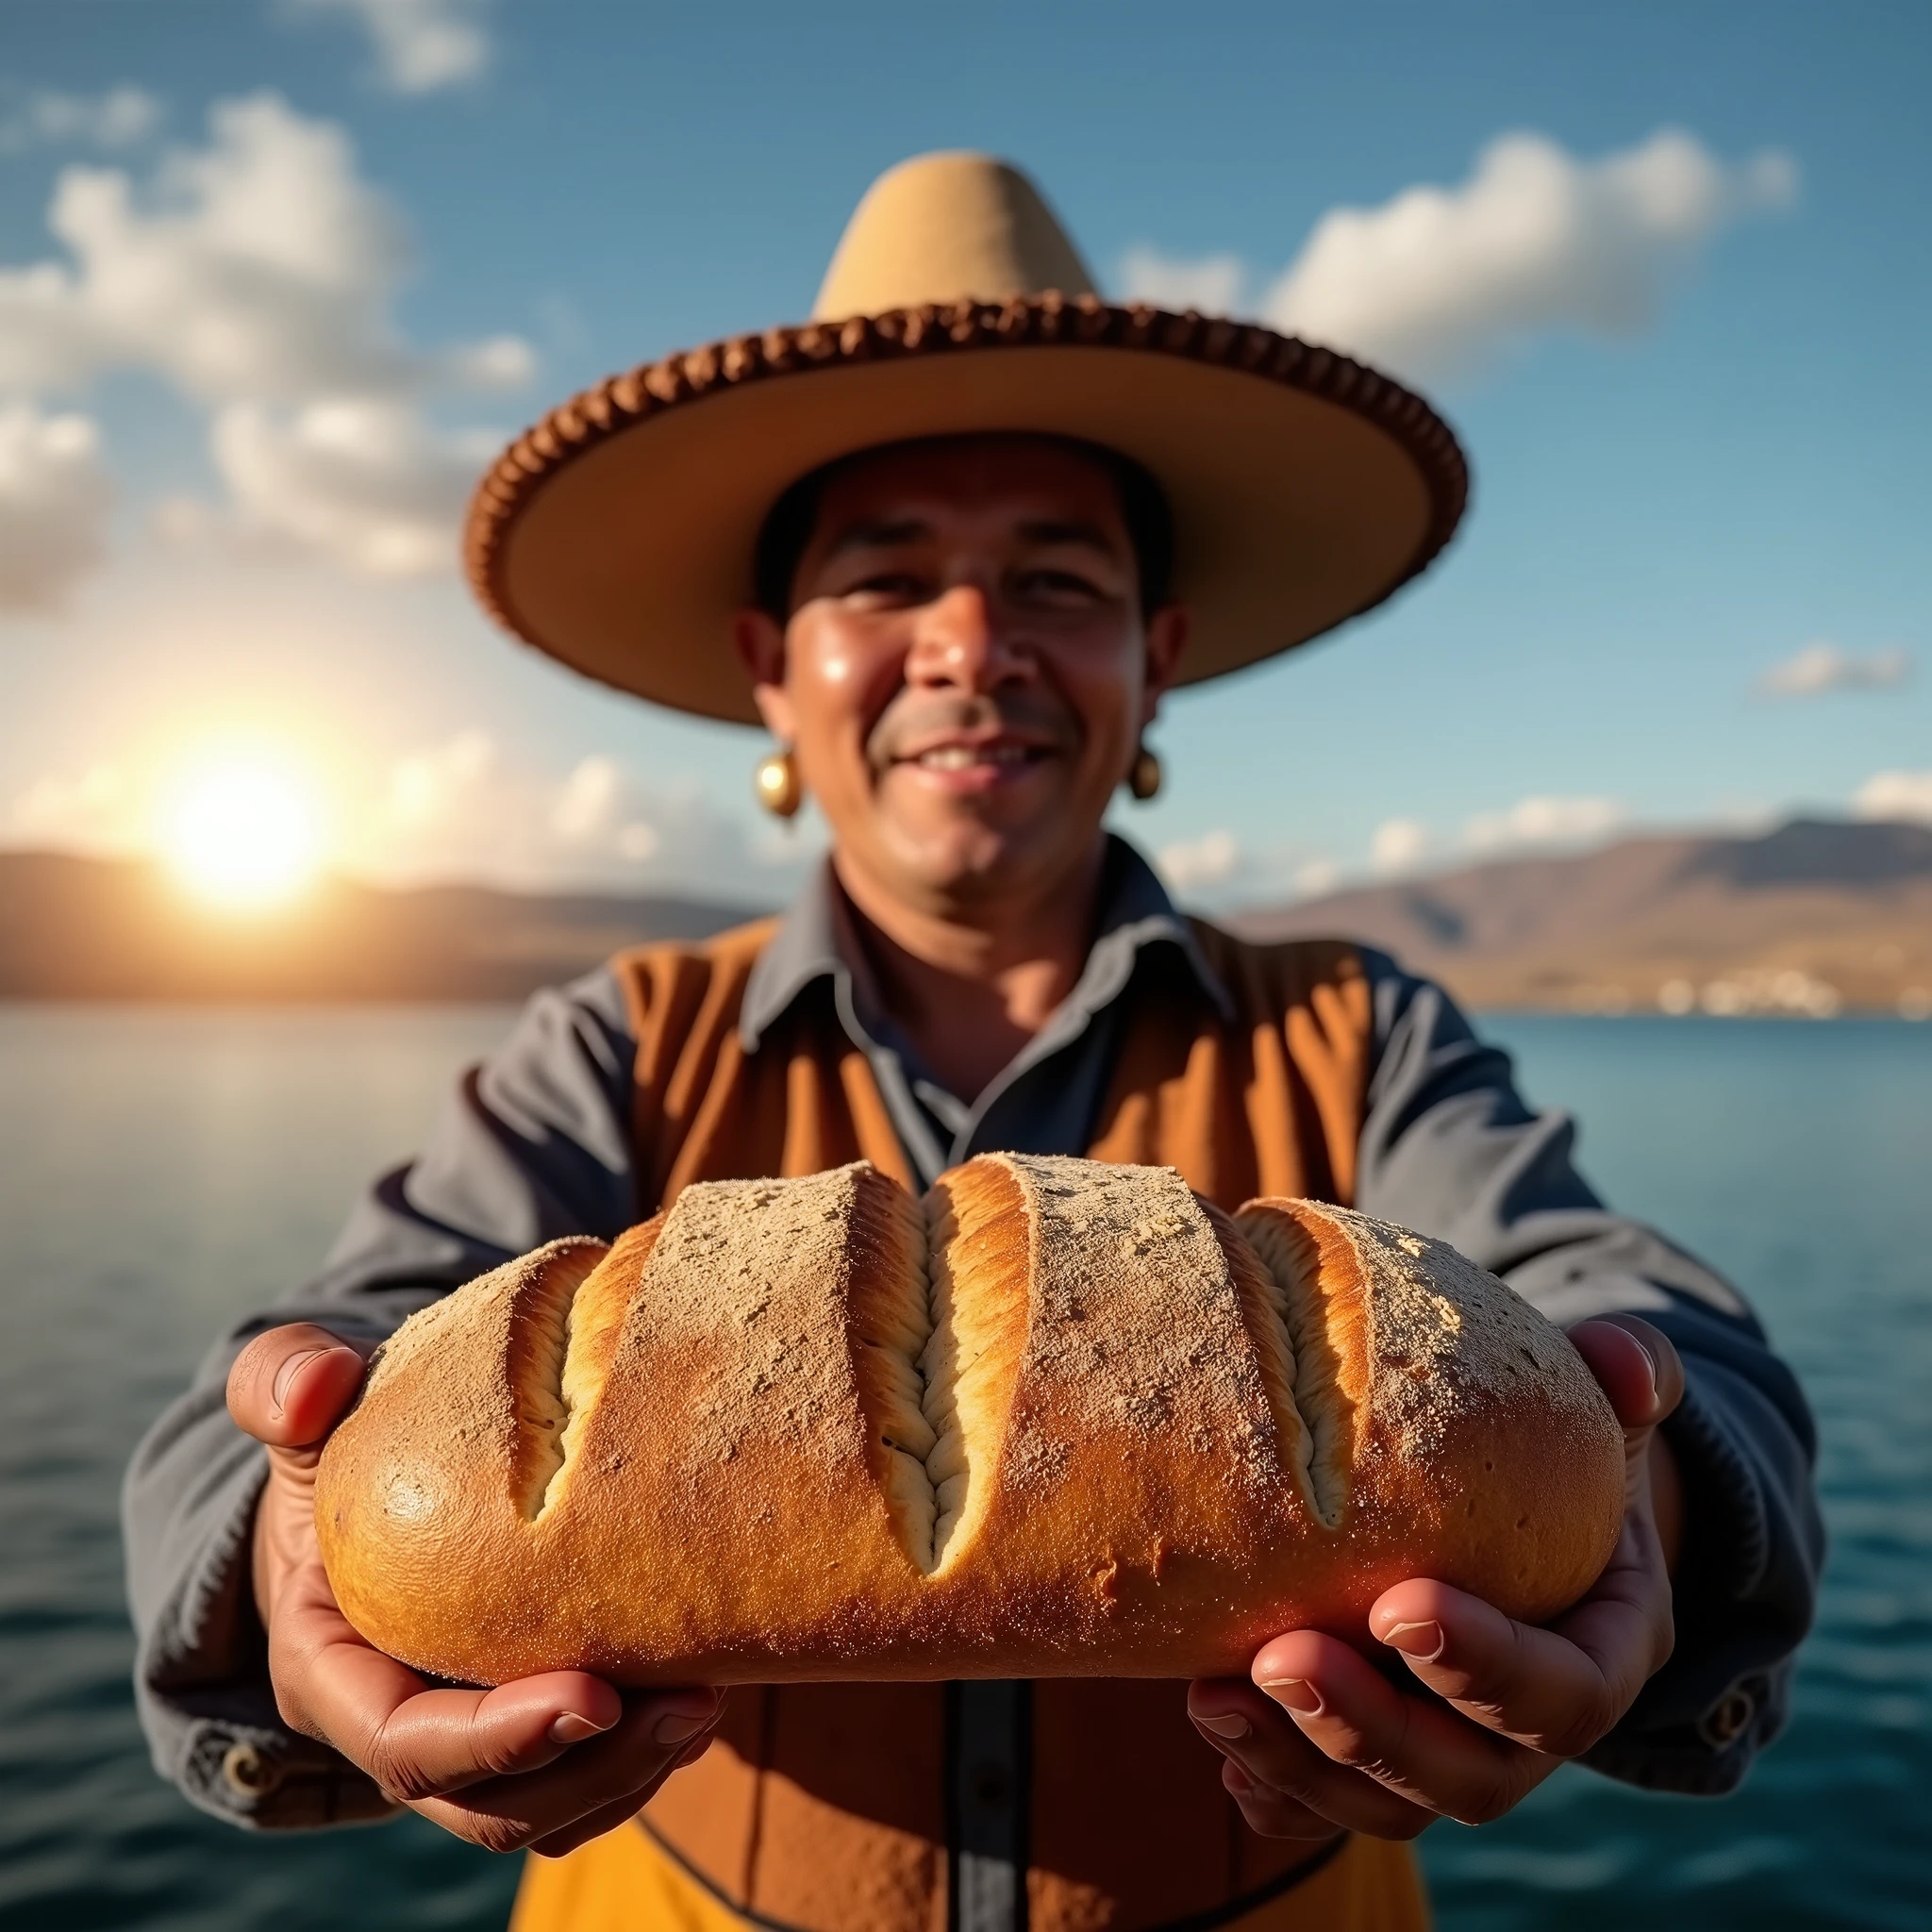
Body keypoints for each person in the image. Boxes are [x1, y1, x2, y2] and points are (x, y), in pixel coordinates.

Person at [125, 154, 1822, 1932]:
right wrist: (298, 1533)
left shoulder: (1356, 1031)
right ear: (774, 669)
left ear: (1152, 665)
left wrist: (1645, 1504)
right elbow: (280, 1415)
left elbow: (1655, 1342)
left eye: (1055, 583)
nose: (973, 645)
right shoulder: (617, 1044)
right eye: (888, 580)